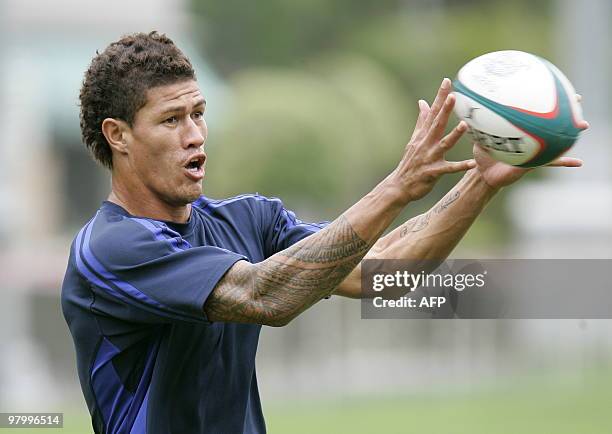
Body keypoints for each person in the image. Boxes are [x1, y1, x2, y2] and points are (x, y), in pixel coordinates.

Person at [61, 31, 586, 434]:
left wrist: (480, 181)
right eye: (172, 119)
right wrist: (397, 187)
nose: (196, 134)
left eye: (199, 112)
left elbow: (383, 274)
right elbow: (264, 295)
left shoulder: (249, 220)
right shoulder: (110, 251)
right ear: (119, 136)